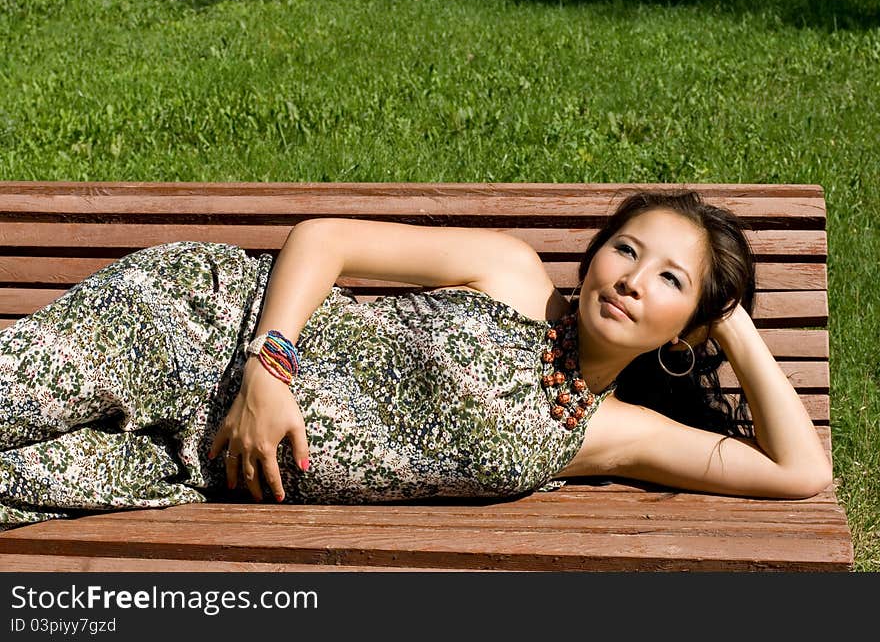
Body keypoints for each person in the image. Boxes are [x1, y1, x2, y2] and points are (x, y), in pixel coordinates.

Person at [0, 190, 832, 531]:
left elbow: (801, 471)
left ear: (687, 330)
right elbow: (326, 239)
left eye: (671, 279)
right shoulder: (511, 275)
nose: (631, 278)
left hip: (200, 461)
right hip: (196, 321)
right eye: (625, 247)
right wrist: (269, 368)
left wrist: (732, 322)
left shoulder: (611, 433)